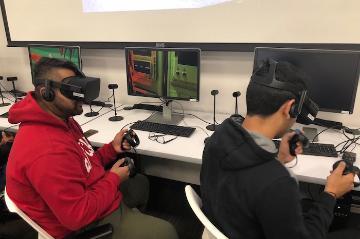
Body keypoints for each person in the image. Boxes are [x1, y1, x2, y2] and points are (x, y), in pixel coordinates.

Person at [6, 58, 178, 239]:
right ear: (46, 92)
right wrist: (113, 179)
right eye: (71, 90)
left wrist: (111, 149)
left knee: (141, 183)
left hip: (91, 193)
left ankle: (131, 221)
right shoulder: (46, 150)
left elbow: (84, 163)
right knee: (167, 232)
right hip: (82, 226)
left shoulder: (63, 120)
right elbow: (77, 216)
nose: (82, 97)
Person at [200, 60, 355, 239]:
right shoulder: (278, 183)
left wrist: (277, 159)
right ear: (290, 108)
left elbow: (244, 183)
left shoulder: (218, 138)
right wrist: (331, 193)